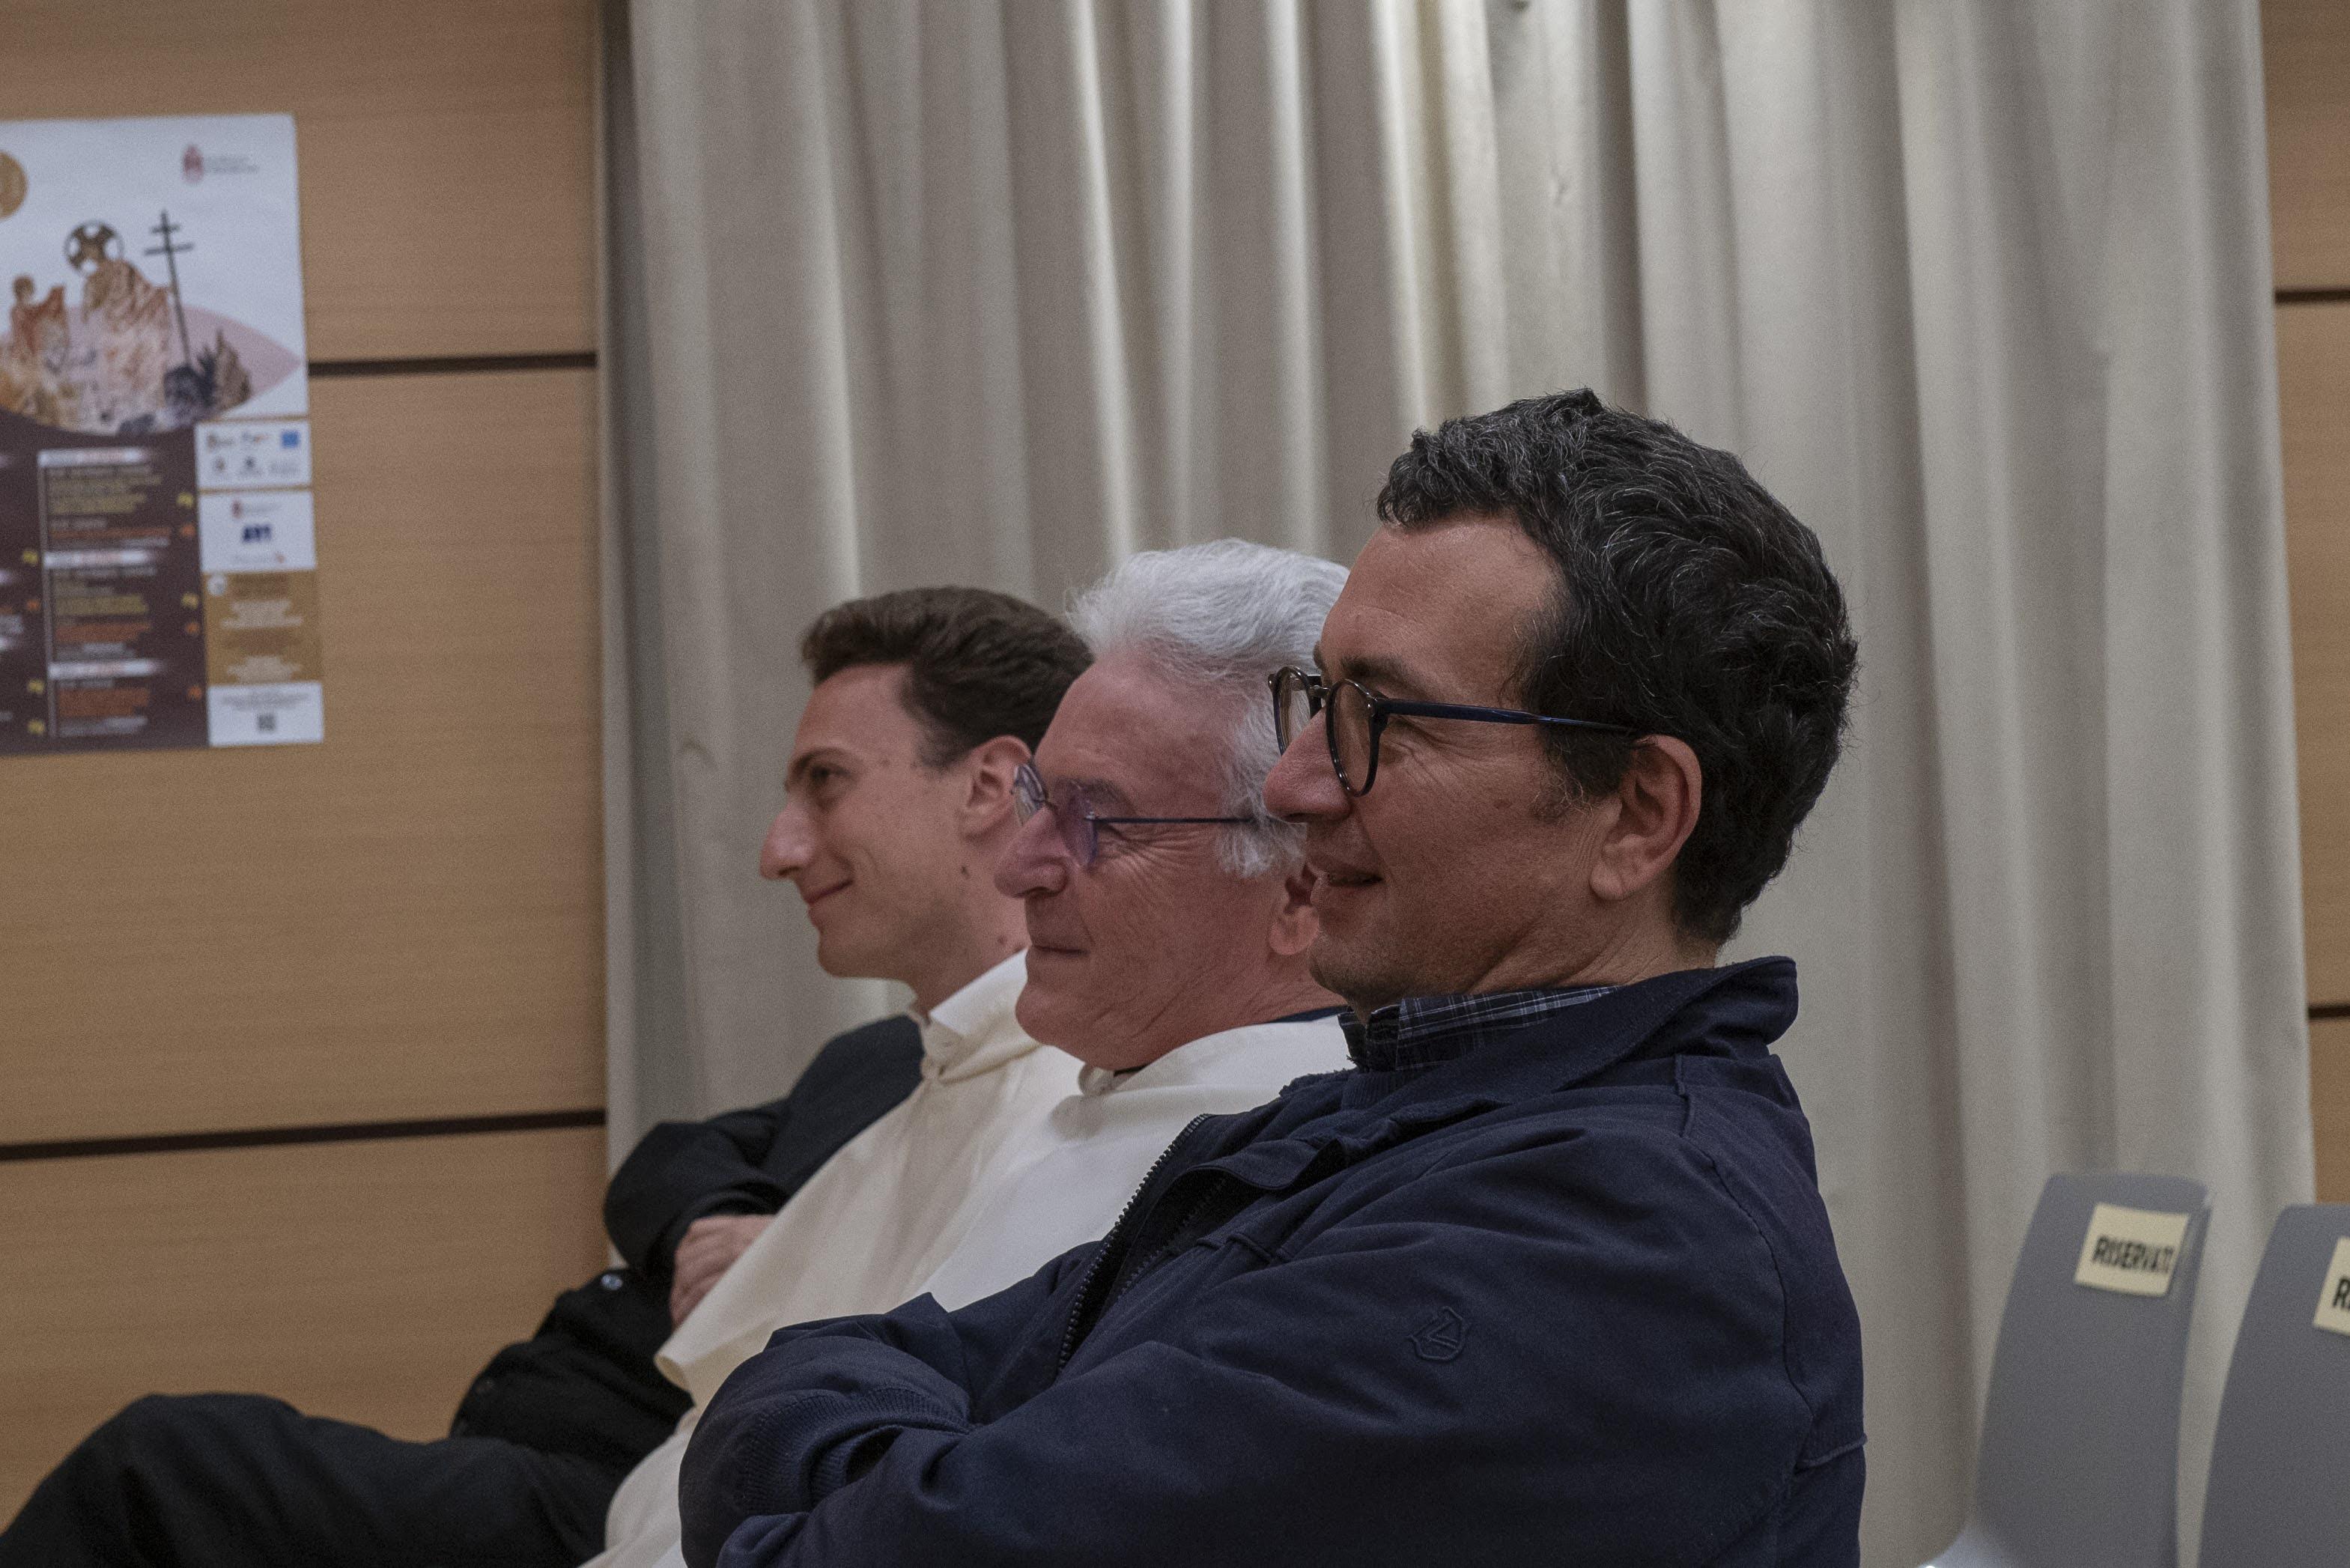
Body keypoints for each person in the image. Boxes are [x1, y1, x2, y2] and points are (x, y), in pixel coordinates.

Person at [676, 389, 1867, 1567]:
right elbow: (824, 1394)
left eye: (1381, 720)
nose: (1293, 786)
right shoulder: (1368, 1119)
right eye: (1317, 701)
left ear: (1637, 814)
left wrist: (806, 1453)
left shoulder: (1606, 1250)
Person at [0, 585, 1093, 1568]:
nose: (778, 850)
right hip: (624, 1479)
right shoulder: (917, 1069)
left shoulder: (1050, 1119)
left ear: (988, 785)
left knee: (166, 1460)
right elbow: (675, 1171)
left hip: (627, 1499)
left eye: (827, 782)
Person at [589, 538, 1355, 1568]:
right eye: (1040, 803)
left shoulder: (1274, 1167)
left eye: (1098, 821)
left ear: (1299, 891)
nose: (1023, 864)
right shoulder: (1117, 1086)